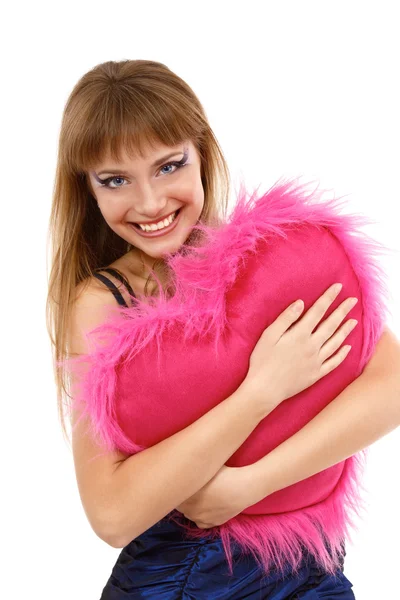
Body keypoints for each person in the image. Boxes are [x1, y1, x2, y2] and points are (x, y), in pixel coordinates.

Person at [47, 59, 400, 599]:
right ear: (88, 190)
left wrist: (248, 484)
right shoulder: (102, 304)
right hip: (182, 580)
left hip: (310, 567)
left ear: (203, 155)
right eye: (116, 180)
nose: (149, 202)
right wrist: (260, 391)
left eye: (169, 166)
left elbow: (391, 385)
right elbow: (112, 513)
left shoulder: (268, 264)